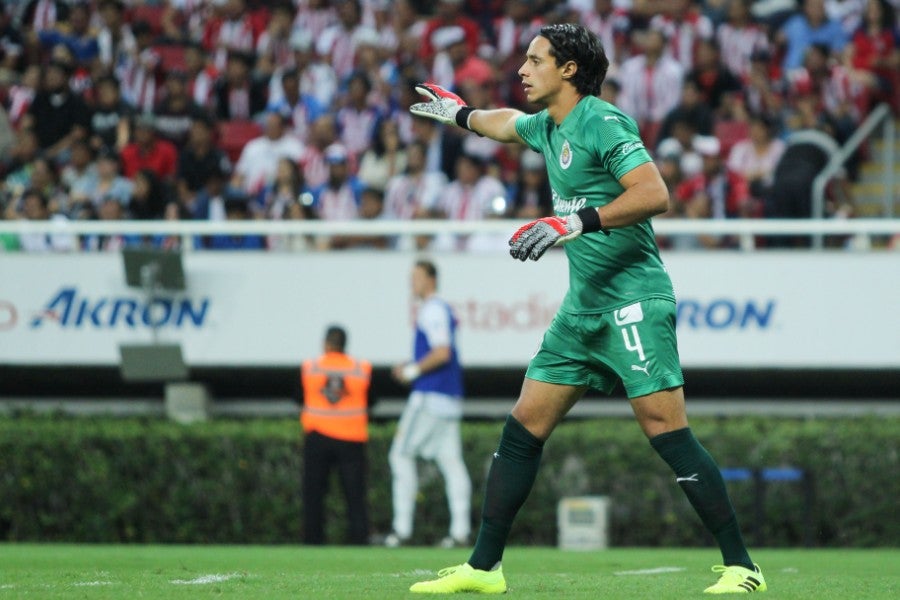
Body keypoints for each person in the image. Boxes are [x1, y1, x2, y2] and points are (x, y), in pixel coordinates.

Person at [406, 23, 766, 595]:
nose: (522, 70)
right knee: (524, 424)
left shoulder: (603, 120)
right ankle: (482, 569)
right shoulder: (549, 125)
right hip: (582, 309)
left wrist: (573, 221)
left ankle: (744, 568)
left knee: (665, 429)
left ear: (569, 68)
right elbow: (503, 123)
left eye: (534, 60)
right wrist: (460, 115)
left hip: (633, 300)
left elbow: (655, 194)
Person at [386, 260, 472, 550]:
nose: (413, 283)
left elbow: (442, 352)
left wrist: (412, 371)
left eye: (417, 277)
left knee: (400, 455)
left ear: (431, 279)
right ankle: (460, 531)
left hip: (431, 396)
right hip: (449, 397)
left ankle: (401, 530)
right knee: (451, 463)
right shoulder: (440, 308)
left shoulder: (433, 308)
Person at [300, 324, 374, 546]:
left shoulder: (311, 367)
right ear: (344, 345)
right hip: (351, 439)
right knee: (355, 496)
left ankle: (312, 542)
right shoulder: (361, 368)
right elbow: (372, 400)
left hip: (317, 437)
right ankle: (360, 541)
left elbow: (298, 396)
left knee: (313, 495)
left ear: (326, 344)